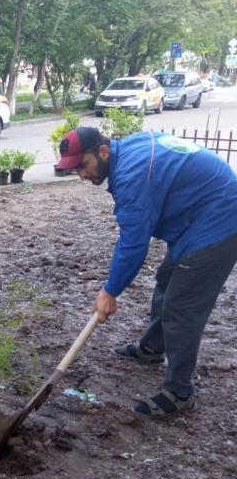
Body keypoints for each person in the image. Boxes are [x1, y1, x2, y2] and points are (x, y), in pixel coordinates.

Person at [56, 127, 237, 418]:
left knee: (182, 304)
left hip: (220, 218)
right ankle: (152, 348)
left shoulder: (131, 176)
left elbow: (133, 244)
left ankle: (179, 391)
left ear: (102, 151)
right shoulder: (126, 151)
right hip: (199, 215)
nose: (81, 174)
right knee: (167, 278)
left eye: (83, 165)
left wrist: (110, 291)